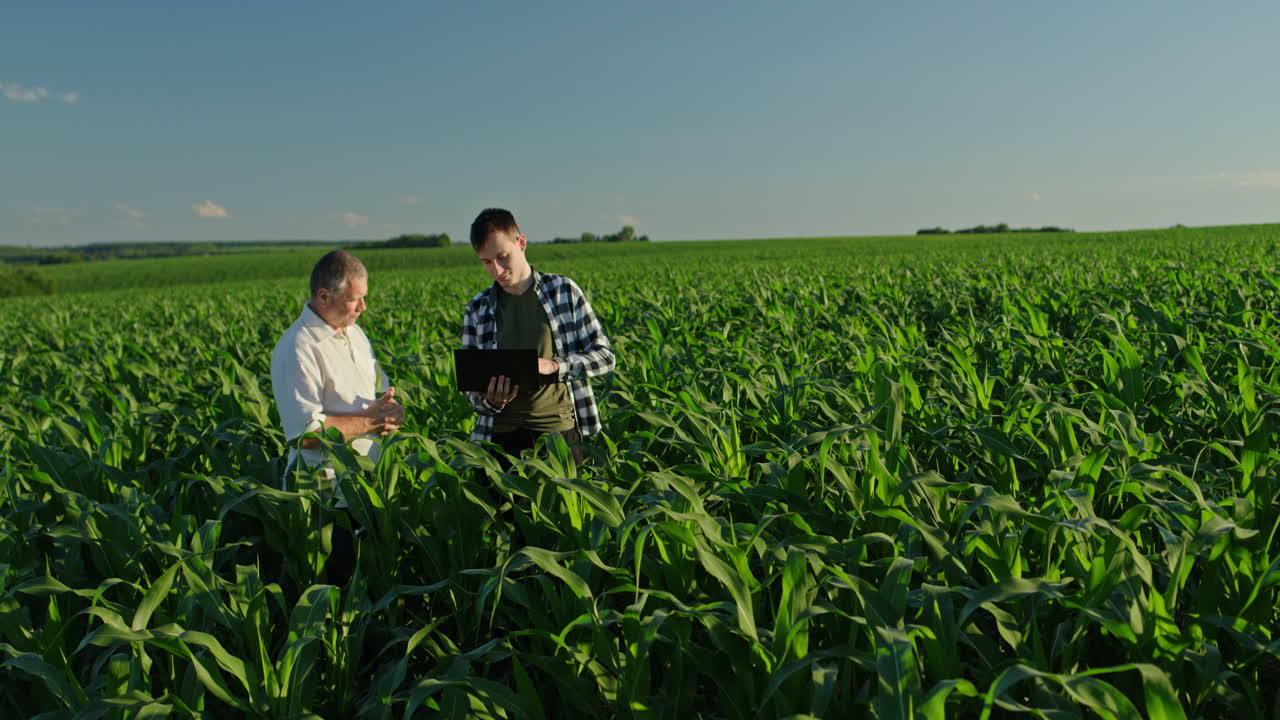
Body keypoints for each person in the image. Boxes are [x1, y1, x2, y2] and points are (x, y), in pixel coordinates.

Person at [270, 249, 404, 581]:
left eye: (364, 298)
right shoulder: (299, 347)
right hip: (324, 497)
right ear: (324, 296)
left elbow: (376, 393)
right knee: (334, 586)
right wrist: (371, 422)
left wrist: (389, 411)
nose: (363, 308)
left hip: (364, 486)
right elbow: (307, 435)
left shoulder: (355, 334)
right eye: (354, 300)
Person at [461, 208, 616, 463]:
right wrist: (491, 401)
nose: (497, 270)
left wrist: (555, 365)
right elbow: (470, 385)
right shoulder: (477, 309)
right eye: (487, 262)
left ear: (521, 243)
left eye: (502, 257)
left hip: (559, 433)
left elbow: (606, 357)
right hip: (499, 440)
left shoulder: (563, 292)